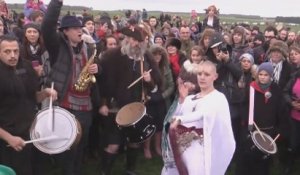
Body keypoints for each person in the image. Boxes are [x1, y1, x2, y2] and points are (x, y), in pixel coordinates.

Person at [40, 0, 100, 175]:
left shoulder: (88, 47)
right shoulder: (57, 47)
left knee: (82, 145)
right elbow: (47, 26)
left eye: (80, 27)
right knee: (68, 147)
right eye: (74, 28)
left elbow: (97, 69)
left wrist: (97, 68)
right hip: (65, 105)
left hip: (86, 105)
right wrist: (57, 3)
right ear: (65, 32)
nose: (79, 30)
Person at [98, 25, 162, 175]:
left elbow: (156, 84)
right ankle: (104, 171)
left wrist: (149, 80)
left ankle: (130, 170)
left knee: (134, 142)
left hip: (137, 107)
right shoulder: (112, 56)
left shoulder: (146, 57)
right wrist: (103, 104)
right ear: (126, 39)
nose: (135, 43)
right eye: (132, 39)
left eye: (138, 40)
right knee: (113, 145)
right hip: (115, 107)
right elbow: (102, 82)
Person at [0, 34, 57, 175]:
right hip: (7, 138)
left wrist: (45, 93)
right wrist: (9, 138)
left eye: (15, 51)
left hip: (31, 132)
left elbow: (32, 98)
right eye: (7, 51)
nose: (12, 55)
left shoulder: (26, 66)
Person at [166, 60, 235, 175]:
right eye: (199, 74)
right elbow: (175, 116)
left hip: (201, 149)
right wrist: (182, 100)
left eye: (207, 74)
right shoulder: (190, 98)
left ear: (215, 76)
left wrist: (180, 119)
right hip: (184, 146)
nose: (202, 77)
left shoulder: (218, 98)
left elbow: (204, 113)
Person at [236, 62, 283, 175]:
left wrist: (280, 128)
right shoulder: (251, 88)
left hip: (268, 130)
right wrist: (246, 118)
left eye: (266, 75)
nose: (262, 77)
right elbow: (243, 105)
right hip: (252, 129)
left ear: (270, 76)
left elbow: (280, 110)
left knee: (262, 163)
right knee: (247, 158)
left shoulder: (276, 90)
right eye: (260, 74)